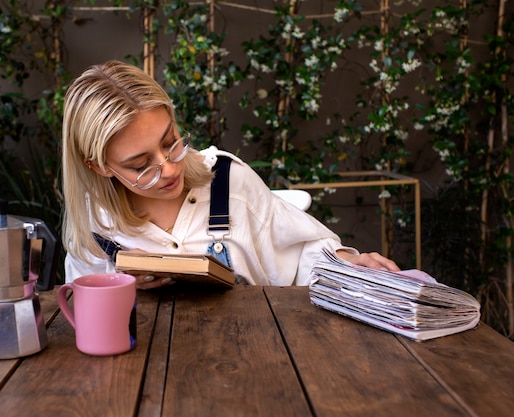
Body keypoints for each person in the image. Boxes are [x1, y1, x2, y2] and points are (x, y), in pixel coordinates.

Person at [62, 60, 399, 289]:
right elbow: (82, 310)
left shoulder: (225, 179)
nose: (168, 168)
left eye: (170, 141)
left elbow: (297, 255)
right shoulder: (96, 226)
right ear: (99, 166)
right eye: (141, 165)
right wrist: (120, 287)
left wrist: (343, 262)